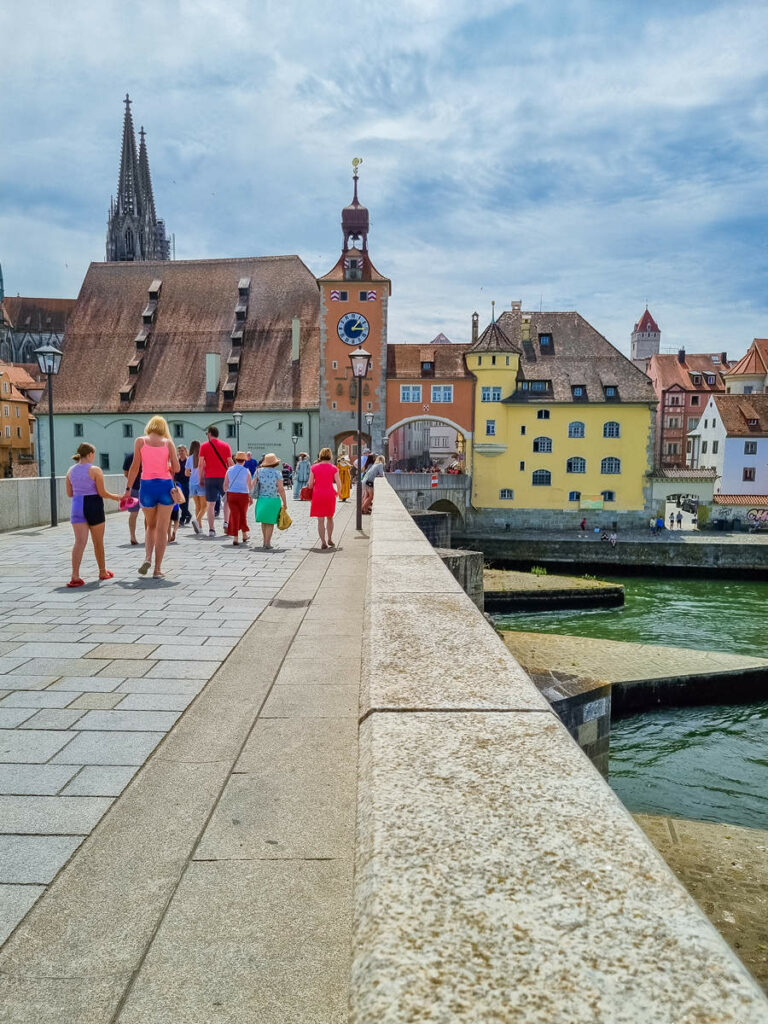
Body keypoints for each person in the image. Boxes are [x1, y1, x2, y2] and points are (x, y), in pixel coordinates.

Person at [124, 416, 180, 579]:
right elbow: (176, 467)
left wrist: (128, 489)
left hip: (147, 486)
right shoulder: (168, 443)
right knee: (162, 529)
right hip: (165, 486)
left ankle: (147, 558)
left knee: (151, 526)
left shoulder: (140, 441)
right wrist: (168, 465)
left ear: (150, 426)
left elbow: (134, 467)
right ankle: (157, 569)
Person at [66, 443, 122, 586]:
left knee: (79, 542)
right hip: (93, 505)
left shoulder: (70, 471)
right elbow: (102, 492)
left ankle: (75, 575)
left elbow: (69, 494)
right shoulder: (95, 470)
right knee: (98, 542)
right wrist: (116, 497)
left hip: (77, 505)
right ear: (90, 454)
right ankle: (102, 571)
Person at [198, 425, 233, 537]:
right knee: (227, 501)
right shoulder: (226, 446)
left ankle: (212, 529)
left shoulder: (204, 446)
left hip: (210, 477)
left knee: (211, 504)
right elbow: (230, 462)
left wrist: (201, 478)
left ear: (209, 434)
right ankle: (226, 523)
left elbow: (200, 465)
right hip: (223, 477)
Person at [252, 452, 287, 550]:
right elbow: (281, 489)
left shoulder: (258, 471)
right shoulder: (277, 473)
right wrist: (285, 502)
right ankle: (268, 543)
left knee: (264, 521)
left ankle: (264, 541)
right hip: (273, 500)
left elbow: (252, 484)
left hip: (262, 499)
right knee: (270, 522)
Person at [308, 447, 341, 549]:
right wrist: (338, 493)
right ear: (330, 456)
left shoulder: (314, 467)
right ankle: (330, 538)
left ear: (320, 456)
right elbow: (339, 483)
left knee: (320, 520)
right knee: (330, 518)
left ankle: (323, 542)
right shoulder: (334, 468)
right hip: (329, 494)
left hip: (318, 494)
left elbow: (310, 484)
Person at [224, 451, 252, 546]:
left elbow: (225, 485)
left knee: (234, 515)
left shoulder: (229, 470)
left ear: (235, 459)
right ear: (244, 460)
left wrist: (226, 492)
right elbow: (250, 486)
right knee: (243, 514)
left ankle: (237, 537)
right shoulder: (246, 471)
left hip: (231, 494)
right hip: (243, 495)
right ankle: (244, 535)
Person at [185, 440, 206, 534]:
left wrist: (192, 473)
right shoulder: (203, 458)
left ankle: (199, 527)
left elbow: (186, 473)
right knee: (204, 506)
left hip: (192, 484)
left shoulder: (189, 458)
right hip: (201, 483)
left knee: (197, 506)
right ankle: (197, 521)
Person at [123, 451, 142, 546]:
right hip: (147, 488)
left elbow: (126, 473)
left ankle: (132, 536)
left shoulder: (129, 456)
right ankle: (149, 535)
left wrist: (132, 481)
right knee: (149, 514)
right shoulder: (148, 454)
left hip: (133, 488)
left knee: (133, 514)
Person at [175, 445, 191, 525]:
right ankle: (188, 514)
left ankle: (182, 519)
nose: (181, 452)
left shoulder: (188, 461)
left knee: (185, 501)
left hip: (186, 483)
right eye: (179, 451)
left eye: (182, 450)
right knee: (179, 501)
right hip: (177, 483)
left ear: (186, 451)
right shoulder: (176, 461)